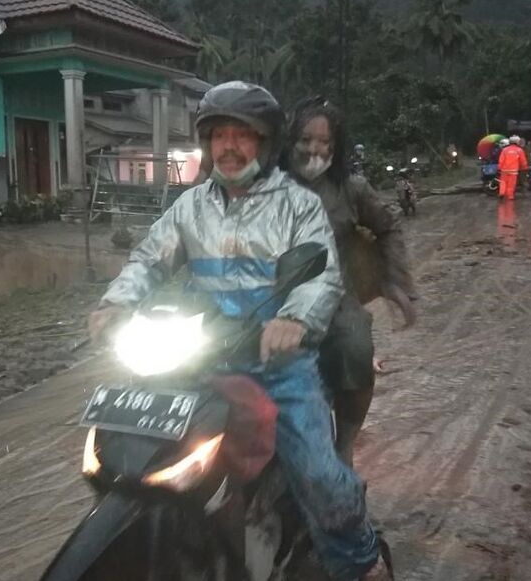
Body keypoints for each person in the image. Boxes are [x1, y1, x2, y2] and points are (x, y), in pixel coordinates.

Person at [88, 81, 390, 581]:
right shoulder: (190, 207)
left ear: (265, 144)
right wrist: (116, 303)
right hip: (202, 356)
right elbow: (148, 258)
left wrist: (295, 320)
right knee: (135, 451)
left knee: (318, 474)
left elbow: (320, 276)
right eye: (218, 135)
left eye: (242, 135)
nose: (228, 147)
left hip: (280, 364)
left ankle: (361, 555)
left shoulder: (298, 205)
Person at [283, 96, 417, 468]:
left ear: (336, 147)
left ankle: (345, 442)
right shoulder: (266, 186)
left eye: (325, 142)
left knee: (355, 348)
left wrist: (394, 282)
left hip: (335, 297)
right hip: (270, 297)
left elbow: (388, 227)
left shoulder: (352, 188)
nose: (314, 149)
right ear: (290, 140)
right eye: (306, 139)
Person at [498, 135, 527, 200]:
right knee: (511, 184)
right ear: (517, 142)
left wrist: (499, 168)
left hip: (504, 170)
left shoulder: (505, 150)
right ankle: (510, 196)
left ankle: (502, 193)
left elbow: (501, 160)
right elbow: (523, 160)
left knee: (503, 182)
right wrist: (524, 167)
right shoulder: (519, 150)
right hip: (513, 170)